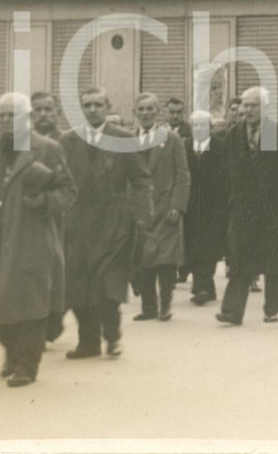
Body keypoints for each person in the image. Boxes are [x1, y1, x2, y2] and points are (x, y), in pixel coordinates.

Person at [0, 93, 76, 387]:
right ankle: (12, 351)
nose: (7, 121)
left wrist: (44, 201)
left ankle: (26, 365)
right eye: (3, 116)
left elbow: (68, 192)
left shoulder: (47, 149)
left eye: (14, 116)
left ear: (28, 120)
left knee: (31, 303)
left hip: (30, 240)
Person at [60, 87, 152, 359]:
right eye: (87, 105)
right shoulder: (68, 140)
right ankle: (87, 343)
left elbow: (141, 180)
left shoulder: (123, 138)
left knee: (107, 286)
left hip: (114, 224)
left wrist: (141, 216)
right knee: (78, 286)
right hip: (77, 223)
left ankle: (112, 335)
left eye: (97, 104)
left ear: (107, 106)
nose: (92, 110)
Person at [217, 87, 278, 325]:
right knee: (239, 258)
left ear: (265, 108)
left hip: (273, 207)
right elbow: (226, 168)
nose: (247, 110)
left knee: (272, 260)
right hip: (243, 207)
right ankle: (232, 311)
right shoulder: (233, 135)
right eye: (244, 105)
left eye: (253, 105)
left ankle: (272, 307)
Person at [130, 93, 190, 323]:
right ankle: (148, 307)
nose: (145, 113)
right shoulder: (128, 140)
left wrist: (178, 205)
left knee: (165, 261)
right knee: (143, 260)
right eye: (141, 109)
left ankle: (165, 304)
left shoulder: (171, 139)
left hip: (166, 208)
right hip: (140, 210)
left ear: (157, 112)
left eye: (150, 109)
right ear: (135, 112)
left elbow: (183, 175)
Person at [30, 90, 67, 342]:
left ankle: (53, 319)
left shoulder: (68, 142)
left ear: (58, 112)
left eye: (48, 109)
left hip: (60, 218)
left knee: (57, 271)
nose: (43, 115)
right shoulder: (19, 141)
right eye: (38, 110)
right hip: (28, 218)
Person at [183, 110, 229, 305]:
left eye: (204, 126)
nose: (199, 129)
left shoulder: (221, 147)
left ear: (211, 128)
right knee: (191, 245)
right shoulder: (183, 147)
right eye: (196, 125)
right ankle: (204, 287)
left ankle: (202, 286)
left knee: (209, 247)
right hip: (190, 206)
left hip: (214, 206)